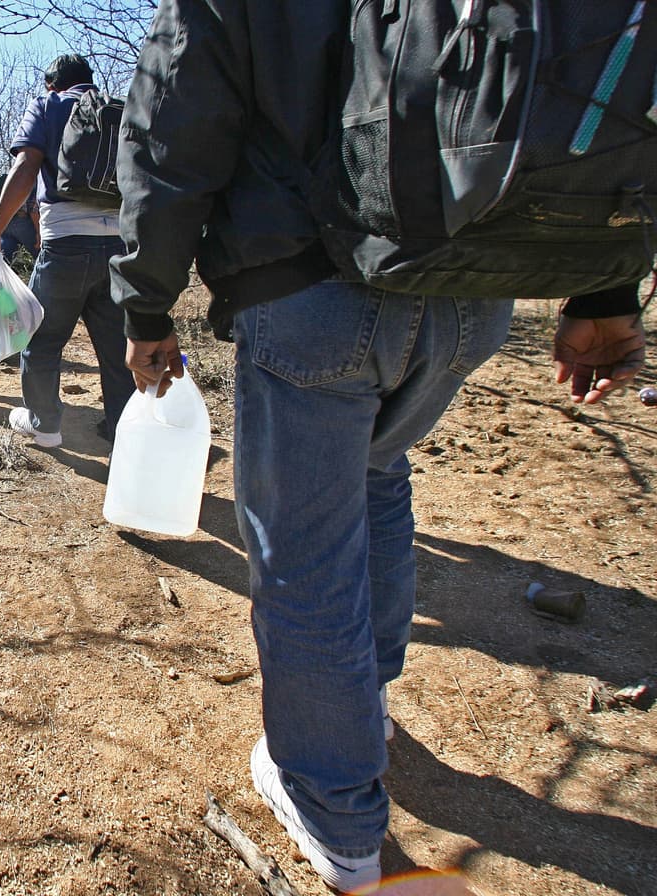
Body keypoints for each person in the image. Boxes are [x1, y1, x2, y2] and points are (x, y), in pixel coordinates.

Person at [108, 2, 646, 893]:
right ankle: (370, 701)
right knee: (377, 474)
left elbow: (174, 129)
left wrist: (145, 303)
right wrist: (604, 283)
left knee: (304, 550)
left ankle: (334, 809)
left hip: (310, 289)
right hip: (475, 285)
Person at [0, 53, 132, 447]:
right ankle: (124, 430)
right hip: (119, 246)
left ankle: (44, 425)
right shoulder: (122, 110)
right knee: (117, 348)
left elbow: (26, 167)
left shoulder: (48, 105)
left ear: (52, 84)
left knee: (40, 339)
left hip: (66, 244)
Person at [1, 187, 40, 266]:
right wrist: (39, 233)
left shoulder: (12, 179)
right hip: (23, 222)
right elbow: (33, 209)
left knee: (3, 261)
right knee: (42, 256)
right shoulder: (35, 178)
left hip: (5, 222)